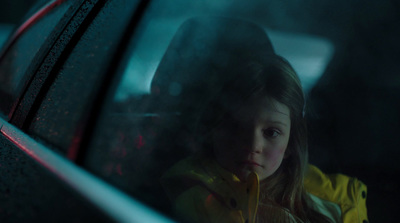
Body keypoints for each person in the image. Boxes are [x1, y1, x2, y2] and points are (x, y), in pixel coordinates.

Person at [156, 17, 368, 223]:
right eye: (235, 127)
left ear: (290, 145)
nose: (252, 145)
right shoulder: (197, 202)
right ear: (213, 130)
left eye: (272, 132)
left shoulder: (335, 203)